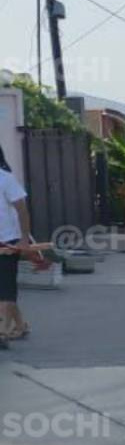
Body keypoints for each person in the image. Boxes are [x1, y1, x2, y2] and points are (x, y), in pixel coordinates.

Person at [0, 144, 35, 343]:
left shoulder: (5, 179)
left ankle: (2, 331)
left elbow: (22, 210)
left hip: (8, 241)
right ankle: (20, 325)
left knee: (5, 287)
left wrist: (24, 238)